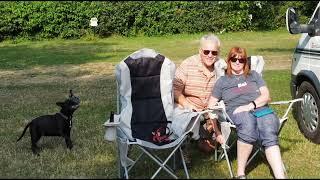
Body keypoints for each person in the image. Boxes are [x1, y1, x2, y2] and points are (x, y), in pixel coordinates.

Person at [208, 46, 286, 179]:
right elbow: (210, 106)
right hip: (237, 112)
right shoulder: (223, 81)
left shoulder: (253, 75)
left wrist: (250, 105)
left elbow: (266, 95)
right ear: (229, 61)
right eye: (234, 59)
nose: (237, 62)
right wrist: (217, 132)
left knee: (269, 128)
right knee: (248, 123)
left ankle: (281, 176)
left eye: (241, 60)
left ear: (245, 62)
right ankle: (240, 173)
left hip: (260, 109)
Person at [173, 34, 225, 167]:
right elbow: (175, 90)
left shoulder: (221, 67)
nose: (210, 55)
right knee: (184, 115)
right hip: (189, 110)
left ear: (218, 53)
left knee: (208, 149)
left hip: (210, 113)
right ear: (200, 51)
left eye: (214, 52)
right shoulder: (187, 64)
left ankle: (203, 137)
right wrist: (186, 104)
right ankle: (183, 150)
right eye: (206, 51)